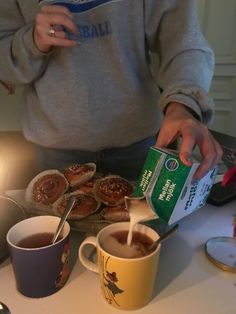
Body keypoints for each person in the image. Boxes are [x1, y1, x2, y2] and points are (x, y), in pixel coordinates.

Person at [0, 0, 222, 181]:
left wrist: (183, 104)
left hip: (139, 144)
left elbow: (183, 42)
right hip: (52, 150)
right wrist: (33, 41)